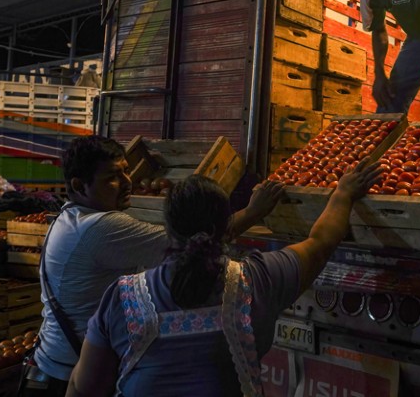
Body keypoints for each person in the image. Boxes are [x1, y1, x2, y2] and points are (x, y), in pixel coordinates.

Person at [65, 160, 382, 397]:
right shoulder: (258, 281)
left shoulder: (122, 298)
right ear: (224, 226)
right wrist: (343, 193)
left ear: (168, 230)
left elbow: (83, 389)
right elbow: (320, 244)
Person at [23, 135, 284, 396]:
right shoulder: (100, 228)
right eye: (112, 177)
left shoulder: (68, 217)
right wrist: (252, 212)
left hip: (56, 365)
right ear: (79, 186)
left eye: (126, 171)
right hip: (70, 377)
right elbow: (191, 245)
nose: (127, 182)